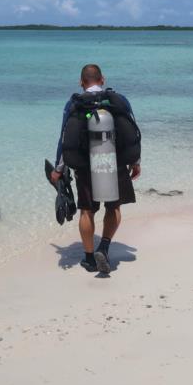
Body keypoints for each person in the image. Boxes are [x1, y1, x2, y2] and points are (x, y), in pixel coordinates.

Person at [50, 64, 141, 273]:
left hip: (85, 166)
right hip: (115, 163)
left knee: (87, 211)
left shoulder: (74, 104)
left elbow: (65, 139)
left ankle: (90, 259)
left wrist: (58, 169)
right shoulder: (119, 101)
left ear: (81, 83)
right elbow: (132, 132)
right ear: (103, 79)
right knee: (114, 208)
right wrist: (136, 162)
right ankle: (105, 246)